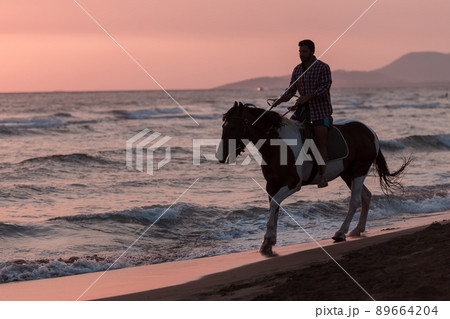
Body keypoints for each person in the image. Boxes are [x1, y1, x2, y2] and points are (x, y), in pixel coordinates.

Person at [272, 39, 333, 188]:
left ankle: (322, 175)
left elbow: (325, 87)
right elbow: (291, 90)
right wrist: (280, 100)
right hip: (303, 111)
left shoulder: (322, 67)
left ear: (312, 52)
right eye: (300, 51)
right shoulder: (297, 70)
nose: (301, 54)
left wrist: (308, 96)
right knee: (286, 133)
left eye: (304, 51)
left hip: (320, 111)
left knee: (320, 140)